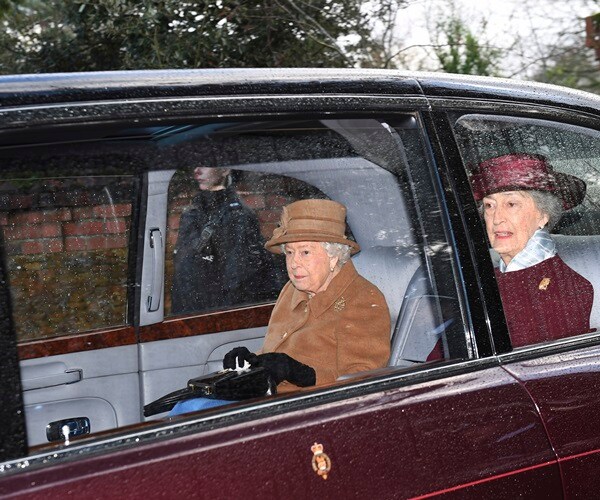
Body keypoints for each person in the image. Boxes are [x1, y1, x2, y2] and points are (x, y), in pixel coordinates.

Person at [170, 198, 391, 415]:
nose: (294, 263)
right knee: (186, 407)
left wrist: (301, 373)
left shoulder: (363, 299)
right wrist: (250, 361)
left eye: (305, 252)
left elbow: (363, 380)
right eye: (289, 252)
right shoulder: (292, 290)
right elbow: (275, 354)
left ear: (334, 256)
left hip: (309, 410)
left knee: (192, 416)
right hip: (269, 398)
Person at [470, 153, 594, 347]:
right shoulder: (481, 280)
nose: (496, 218)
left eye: (511, 204)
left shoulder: (566, 289)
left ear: (543, 215)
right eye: (489, 206)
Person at [171, 166, 284, 314]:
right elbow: (183, 273)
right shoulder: (191, 213)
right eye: (195, 163)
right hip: (192, 316)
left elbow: (236, 279)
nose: (197, 170)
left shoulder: (238, 216)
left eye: (205, 163)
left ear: (225, 170)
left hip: (218, 318)